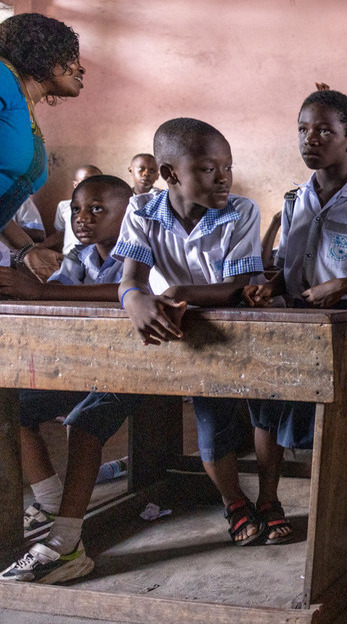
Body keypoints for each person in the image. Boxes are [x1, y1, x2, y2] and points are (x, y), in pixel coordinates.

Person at [242, 89, 347, 555]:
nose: (309, 139)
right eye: (302, 130)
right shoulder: (295, 201)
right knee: (314, 427)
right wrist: (272, 287)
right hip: (304, 330)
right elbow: (292, 270)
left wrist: (341, 285)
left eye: (323, 131)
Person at [114, 118, 267, 546]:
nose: (223, 178)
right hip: (194, 335)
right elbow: (131, 279)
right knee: (211, 421)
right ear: (170, 174)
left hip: (246, 329)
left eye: (228, 167)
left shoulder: (241, 210)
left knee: (265, 417)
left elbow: (238, 286)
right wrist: (134, 300)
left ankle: (270, 500)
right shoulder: (142, 210)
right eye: (207, 168)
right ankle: (234, 501)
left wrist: (177, 290)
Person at [0, 175, 147, 584]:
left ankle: (67, 546)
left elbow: (126, 290)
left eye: (97, 209)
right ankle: (49, 502)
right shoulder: (79, 257)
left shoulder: (141, 253)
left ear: (129, 213)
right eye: (78, 209)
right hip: (87, 366)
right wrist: (23, 292)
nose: (82, 218)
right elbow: (58, 296)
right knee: (16, 409)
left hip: (138, 367)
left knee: (82, 423)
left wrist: (41, 293)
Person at [0, 13, 84, 273]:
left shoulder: (22, 103)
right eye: (71, 58)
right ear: (43, 52)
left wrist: (27, 250)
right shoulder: (2, 76)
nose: (81, 68)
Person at [45, 164, 101, 254]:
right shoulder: (64, 206)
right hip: (70, 260)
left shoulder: (106, 208)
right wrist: (39, 246)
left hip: (96, 262)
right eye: (85, 181)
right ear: (75, 184)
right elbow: (59, 236)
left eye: (96, 181)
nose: (90, 185)